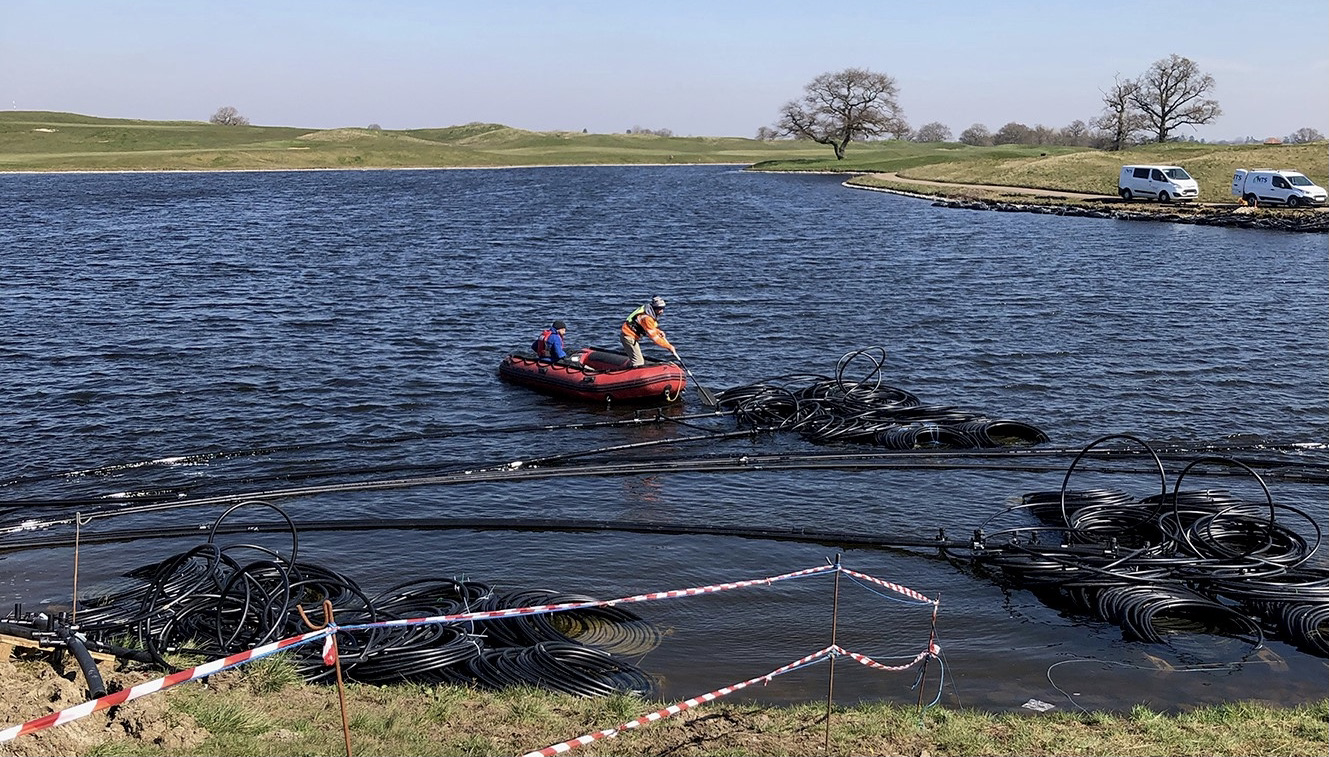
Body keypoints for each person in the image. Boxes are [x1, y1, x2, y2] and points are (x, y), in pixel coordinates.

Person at [620, 296, 677, 367]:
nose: (661, 311)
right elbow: (654, 338)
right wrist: (669, 347)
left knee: (637, 358)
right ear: (654, 308)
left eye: (662, 308)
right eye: (658, 309)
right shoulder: (647, 318)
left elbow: (647, 326)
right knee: (638, 362)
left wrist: (658, 331)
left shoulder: (647, 312)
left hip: (630, 335)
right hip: (628, 337)